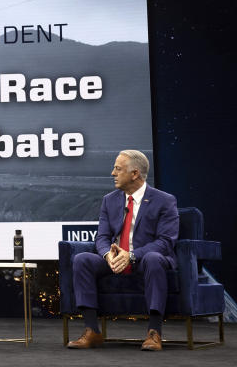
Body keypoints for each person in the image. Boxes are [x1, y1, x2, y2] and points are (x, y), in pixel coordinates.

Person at [67, 149, 179, 351]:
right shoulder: (109, 200)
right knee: (82, 259)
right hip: (115, 260)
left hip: (145, 260)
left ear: (135, 174)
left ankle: (154, 332)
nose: (112, 173)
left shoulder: (164, 200)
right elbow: (101, 237)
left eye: (118, 169)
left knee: (154, 258)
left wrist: (132, 255)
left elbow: (165, 241)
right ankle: (92, 331)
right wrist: (107, 254)